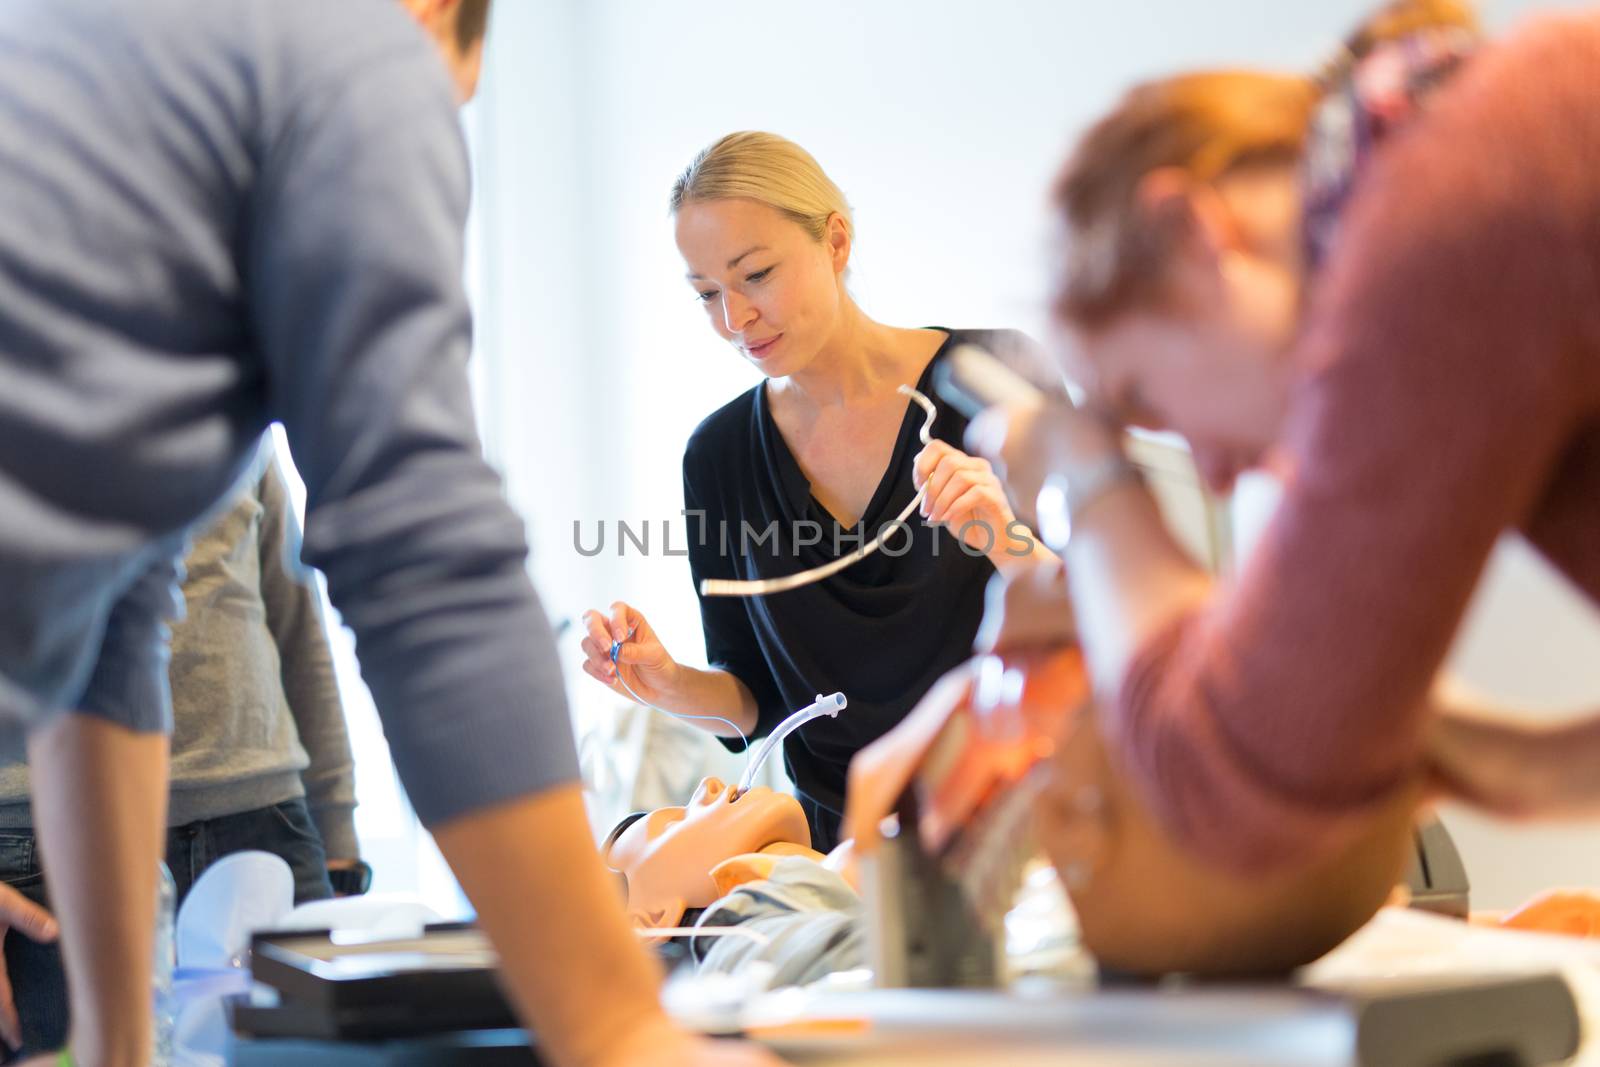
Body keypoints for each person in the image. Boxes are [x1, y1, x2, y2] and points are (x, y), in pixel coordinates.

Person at [0, 2, 772, 1065]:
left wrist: (115, 1043)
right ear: (437, 15)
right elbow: (422, 554)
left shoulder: (93, 61)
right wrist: (616, 1023)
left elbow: (111, 629)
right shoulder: (349, 45)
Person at [965, 0, 1600, 887]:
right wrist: (1498, 756)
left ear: (1194, 238)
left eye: (1144, 397)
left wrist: (1089, 480)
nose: (1218, 476)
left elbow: (1230, 791)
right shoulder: (1471, 177)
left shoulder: (1439, 226)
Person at [580, 132, 1052, 851]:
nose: (734, 320)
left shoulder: (997, 378)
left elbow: (1116, 624)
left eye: (757, 274)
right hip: (840, 857)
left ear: (835, 241)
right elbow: (757, 704)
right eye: (707, 293)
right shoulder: (719, 456)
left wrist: (1006, 537)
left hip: (1018, 827)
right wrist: (667, 683)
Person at [0, 449, 360, 1058]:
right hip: (44, 850)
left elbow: (297, 629)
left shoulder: (230, 401)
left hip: (270, 824)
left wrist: (341, 847)